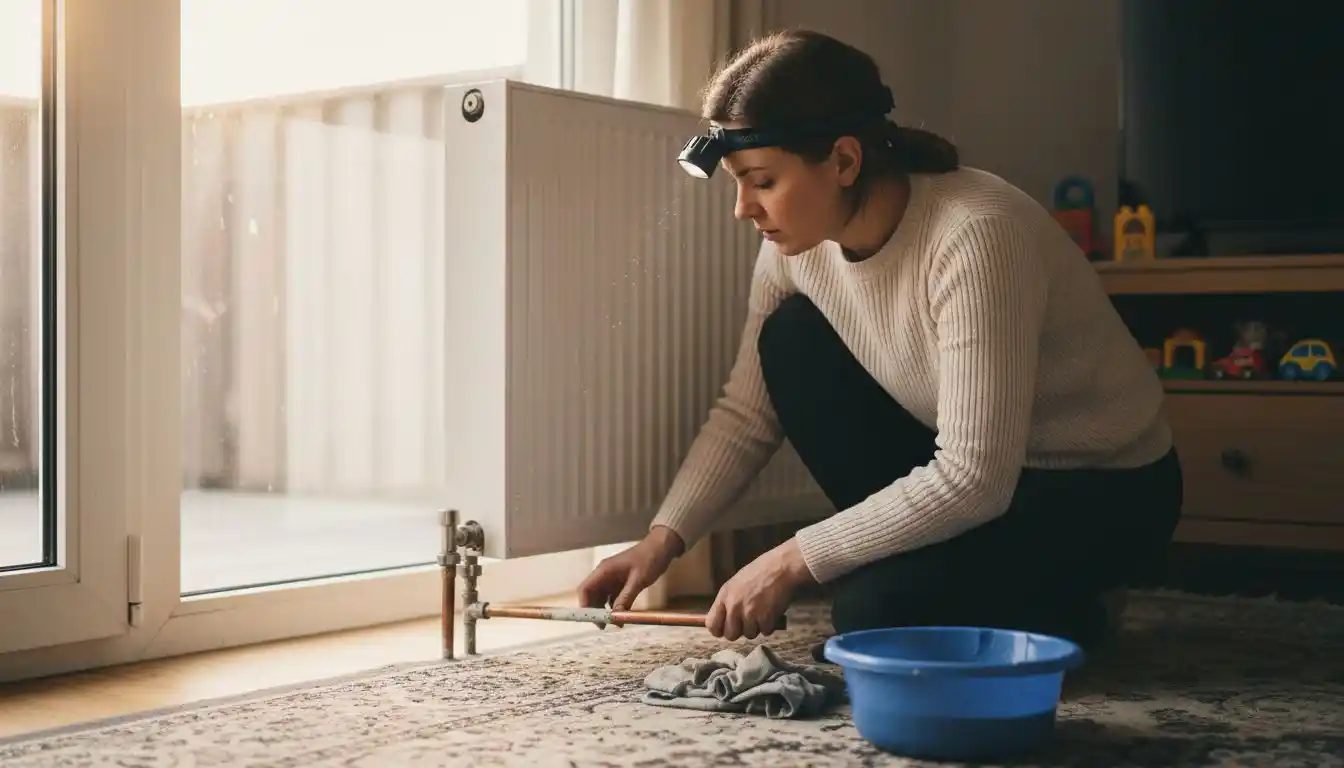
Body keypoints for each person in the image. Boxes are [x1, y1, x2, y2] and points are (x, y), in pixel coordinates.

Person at [578, 29, 1182, 651]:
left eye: (761, 181)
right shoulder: (795, 251)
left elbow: (975, 475)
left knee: (872, 614)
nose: (743, 209)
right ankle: (998, 591)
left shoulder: (975, 234)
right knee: (791, 340)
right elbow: (746, 414)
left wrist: (792, 558)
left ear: (844, 161)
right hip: (978, 475)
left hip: (1101, 491)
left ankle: (1080, 608)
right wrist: (662, 540)